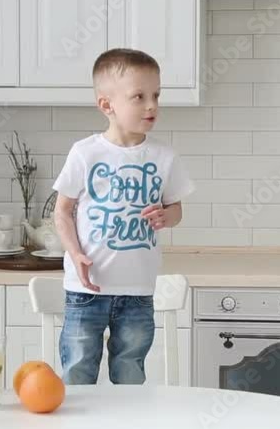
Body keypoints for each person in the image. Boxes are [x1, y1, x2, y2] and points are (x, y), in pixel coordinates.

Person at [51, 48, 195, 384]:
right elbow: (62, 211)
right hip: (86, 290)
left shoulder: (164, 156)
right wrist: (75, 253)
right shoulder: (85, 153)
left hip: (138, 291)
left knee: (130, 373)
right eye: (139, 97)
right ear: (107, 105)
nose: (151, 105)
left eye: (156, 95)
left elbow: (176, 210)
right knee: (77, 373)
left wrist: (166, 216)